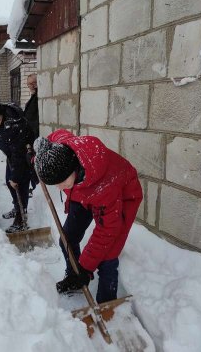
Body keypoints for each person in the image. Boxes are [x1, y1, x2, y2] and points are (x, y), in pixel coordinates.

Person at [33, 129, 143, 303]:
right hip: (82, 190)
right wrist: (39, 155)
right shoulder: (64, 151)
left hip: (122, 194)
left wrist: (86, 267)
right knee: (67, 237)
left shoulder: (106, 186)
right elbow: (58, 134)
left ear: (73, 170)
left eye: (61, 183)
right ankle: (74, 277)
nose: (60, 189)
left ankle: (107, 304)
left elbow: (107, 231)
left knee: (108, 254)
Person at [0, 97, 36, 233]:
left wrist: (16, 177)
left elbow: (19, 153)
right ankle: (17, 207)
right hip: (13, 155)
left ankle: (21, 217)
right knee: (9, 182)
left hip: (24, 155)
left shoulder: (14, 125)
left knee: (20, 184)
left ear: (1, 113)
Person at [23, 73, 39, 196]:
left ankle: (36, 187)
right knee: (31, 163)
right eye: (29, 84)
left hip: (35, 137)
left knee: (34, 163)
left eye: (33, 83)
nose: (31, 86)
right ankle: (34, 187)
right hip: (30, 137)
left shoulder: (38, 97)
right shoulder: (33, 97)